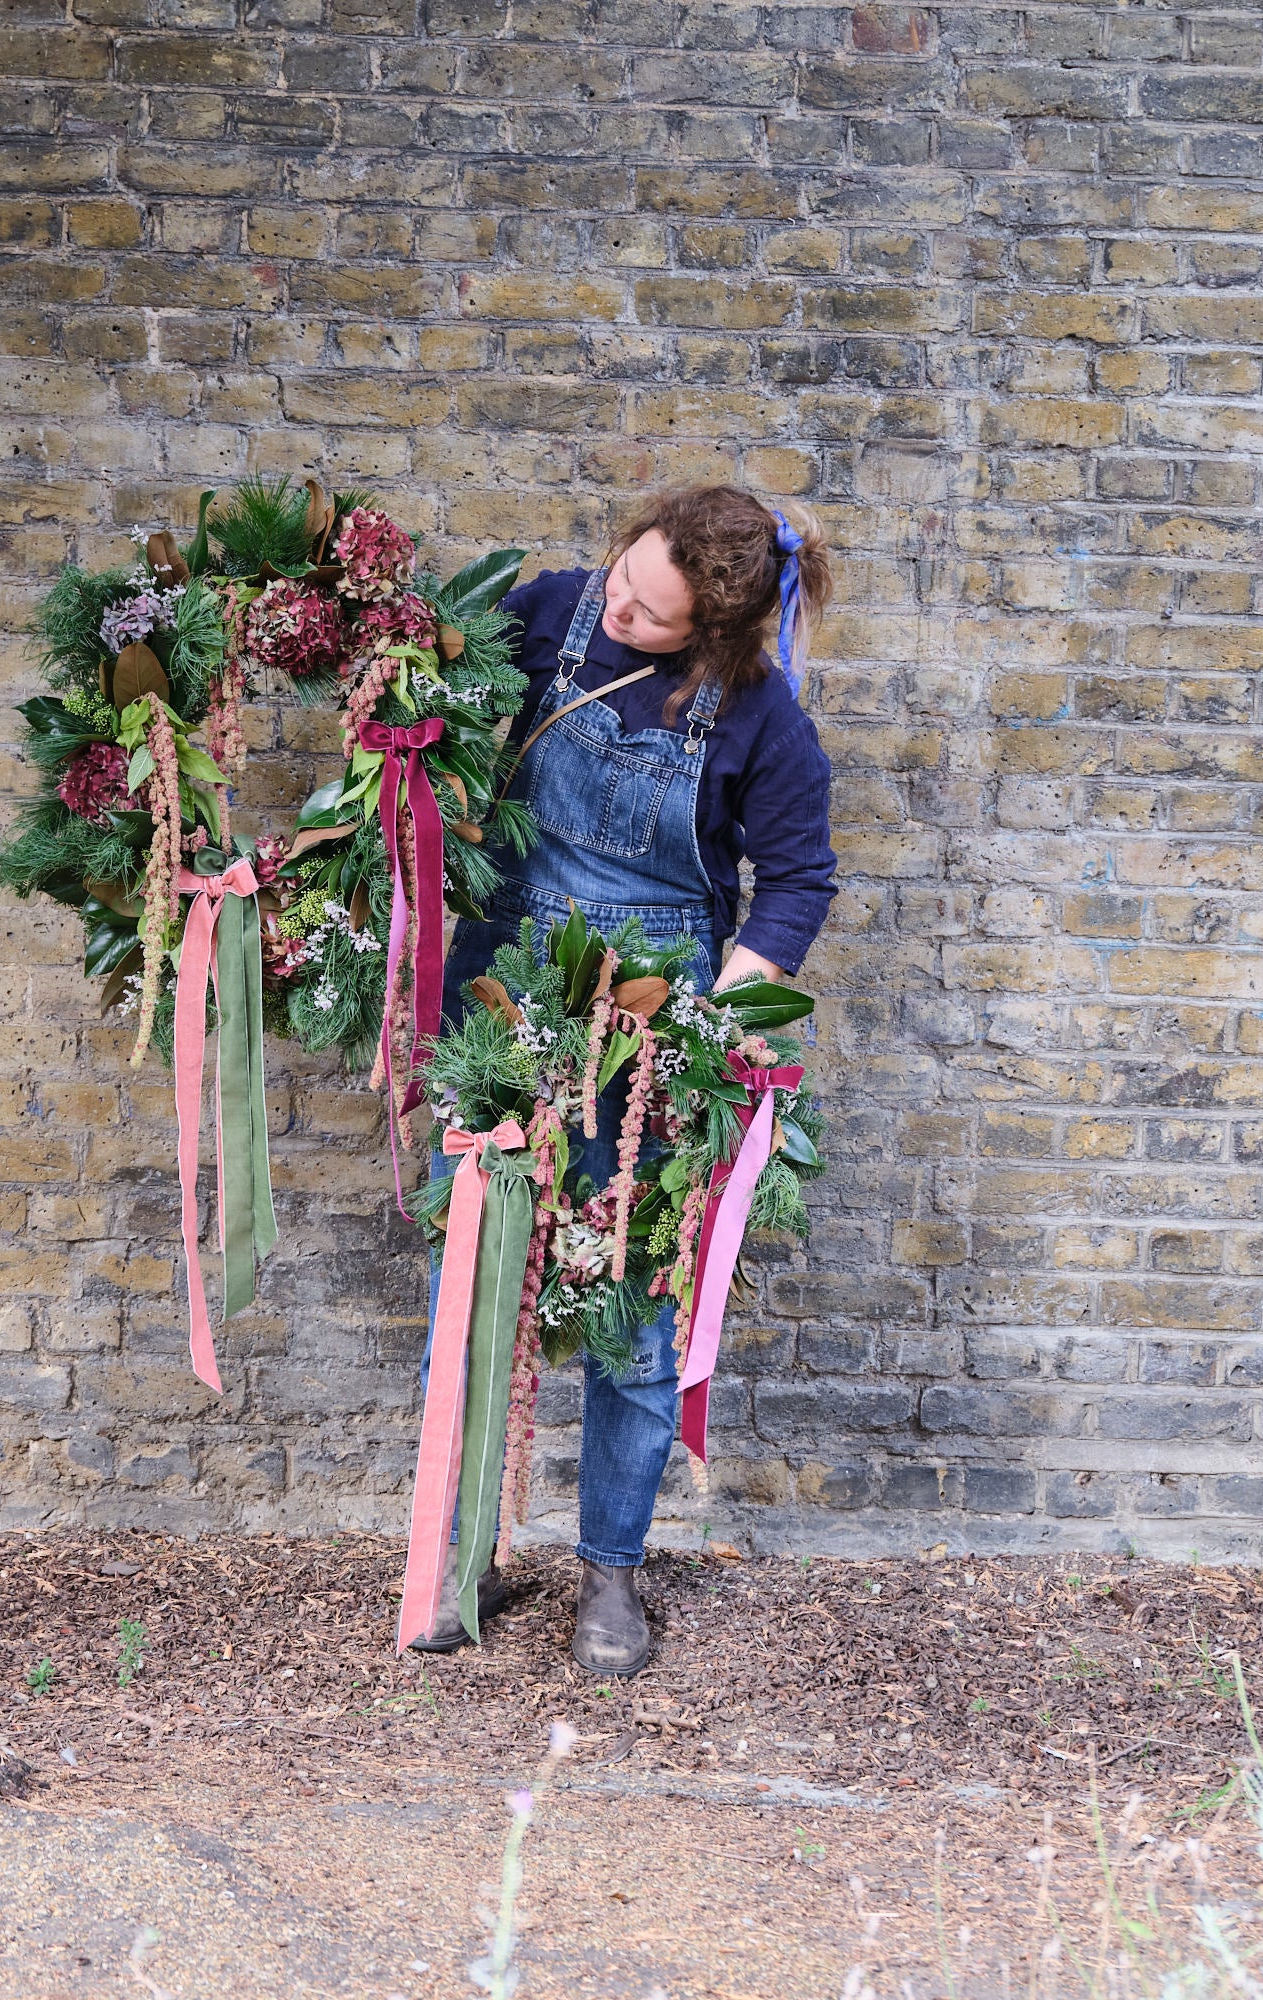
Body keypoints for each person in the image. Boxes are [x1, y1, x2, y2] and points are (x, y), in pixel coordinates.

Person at [412, 485, 838, 1673]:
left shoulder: (758, 718)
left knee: (632, 1299)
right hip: (502, 998)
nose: (616, 609)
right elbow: (427, 704)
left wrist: (715, 1010)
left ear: (705, 636)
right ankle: (461, 1550)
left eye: (649, 616)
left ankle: (608, 1568)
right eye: (621, 578)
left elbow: (797, 877)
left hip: (642, 1035)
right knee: (481, 1277)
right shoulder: (542, 612)